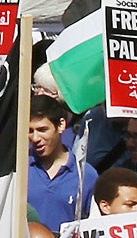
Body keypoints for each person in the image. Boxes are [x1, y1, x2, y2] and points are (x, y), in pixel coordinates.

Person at [27, 96, 97, 229]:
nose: (35, 138)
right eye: (30, 131)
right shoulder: (19, 170)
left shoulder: (86, 175)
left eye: (42, 130)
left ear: (61, 125)